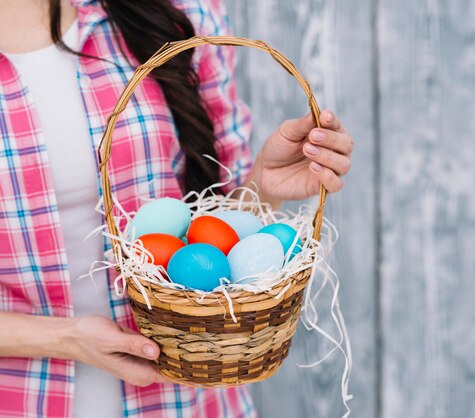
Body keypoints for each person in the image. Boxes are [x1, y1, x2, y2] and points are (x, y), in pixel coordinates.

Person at [0, 0, 354, 416]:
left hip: (188, 401)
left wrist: (264, 183)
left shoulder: (179, 12)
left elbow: (213, 239)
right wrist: (68, 338)